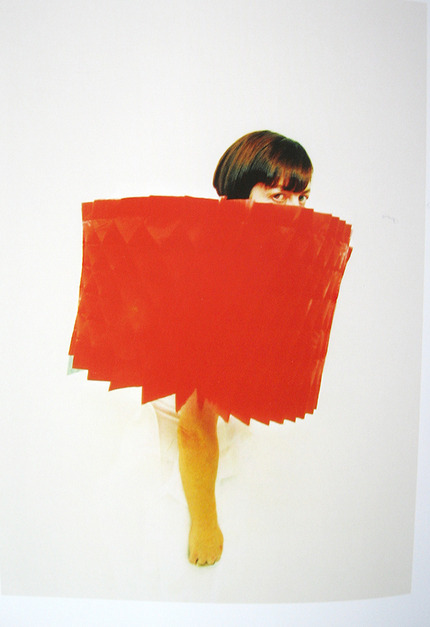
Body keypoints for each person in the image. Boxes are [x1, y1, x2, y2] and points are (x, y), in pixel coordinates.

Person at [177, 130, 313, 566]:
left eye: (302, 197)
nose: (295, 211)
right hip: (183, 461)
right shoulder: (214, 270)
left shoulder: (267, 262)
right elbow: (193, 425)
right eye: (277, 196)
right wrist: (205, 524)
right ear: (237, 196)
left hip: (222, 442)